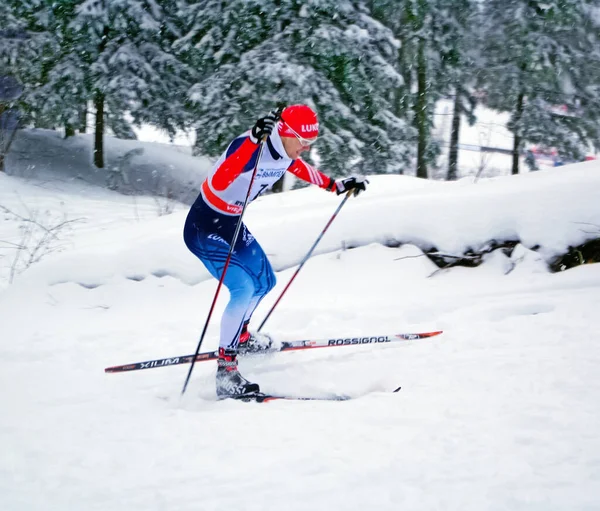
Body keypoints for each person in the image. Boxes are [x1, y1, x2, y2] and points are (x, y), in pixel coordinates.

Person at [183, 104, 368, 398]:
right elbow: (219, 180)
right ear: (285, 132)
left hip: (231, 223)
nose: (306, 148)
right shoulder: (248, 146)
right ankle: (226, 372)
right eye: (303, 142)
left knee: (265, 281)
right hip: (204, 227)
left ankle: (240, 337)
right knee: (242, 289)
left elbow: (294, 166)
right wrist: (253, 143)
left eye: (311, 143)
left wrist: (334, 185)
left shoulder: (284, 151)